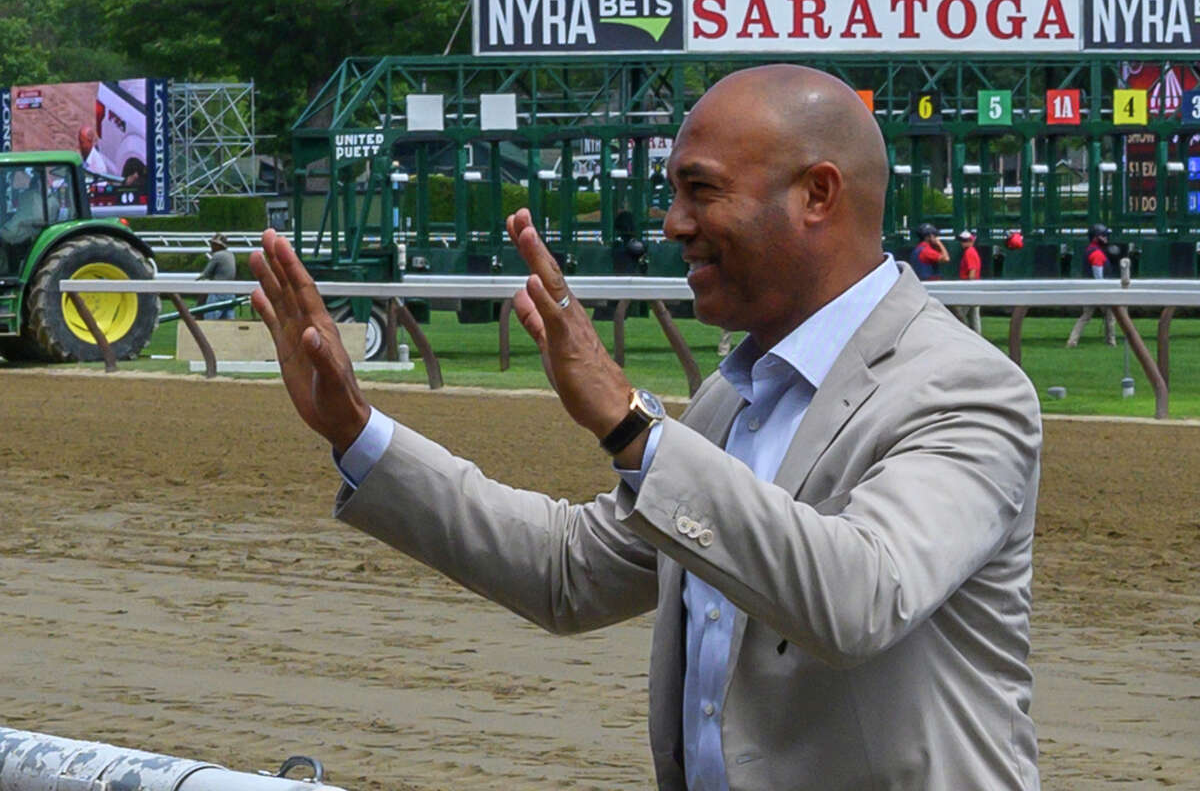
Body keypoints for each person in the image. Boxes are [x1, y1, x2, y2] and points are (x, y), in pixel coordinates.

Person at [250, 65, 1042, 790]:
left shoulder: (967, 390)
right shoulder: (735, 398)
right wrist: (356, 430)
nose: (673, 223)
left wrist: (633, 426)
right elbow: (569, 570)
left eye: (701, 190)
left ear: (817, 195)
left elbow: (861, 597)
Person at [1066, 223, 1116, 348]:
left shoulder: (1090, 250)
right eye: (1103, 236)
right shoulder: (1097, 253)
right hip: (1098, 290)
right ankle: (1111, 342)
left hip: (1090, 289)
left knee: (1086, 316)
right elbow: (1098, 276)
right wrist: (1103, 291)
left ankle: (1072, 341)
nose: (1106, 238)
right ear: (1096, 237)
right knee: (1110, 316)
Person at [197, 233, 237, 319]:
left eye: (213, 244)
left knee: (210, 322)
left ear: (219, 245)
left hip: (218, 293)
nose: (211, 246)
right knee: (229, 324)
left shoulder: (217, 255)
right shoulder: (231, 254)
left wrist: (194, 281)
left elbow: (205, 274)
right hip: (231, 292)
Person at [954, 229, 983, 334]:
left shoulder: (969, 252)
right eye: (962, 240)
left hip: (970, 287)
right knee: (973, 316)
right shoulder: (970, 251)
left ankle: (964, 336)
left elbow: (972, 271)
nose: (963, 243)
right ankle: (976, 338)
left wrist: (969, 288)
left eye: (965, 240)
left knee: (960, 314)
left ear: (971, 240)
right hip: (973, 287)